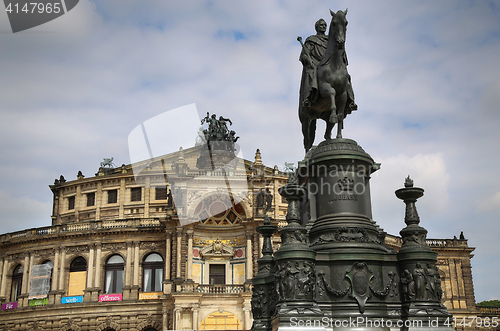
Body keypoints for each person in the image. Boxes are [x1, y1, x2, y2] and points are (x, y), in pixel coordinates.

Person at [299, 19, 357, 114]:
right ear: (316, 27)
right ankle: (308, 98)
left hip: (329, 64)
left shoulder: (330, 40)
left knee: (346, 76)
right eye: (321, 25)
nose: (323, 26)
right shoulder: (311, 40)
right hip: (316, 64)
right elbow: (304, 55)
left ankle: (350, 100)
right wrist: (307, 59)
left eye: (325, 25)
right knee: (312, 73)